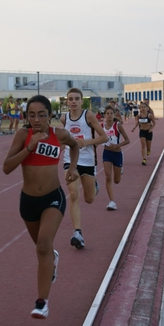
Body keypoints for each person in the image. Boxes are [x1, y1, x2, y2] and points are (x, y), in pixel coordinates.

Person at [3, 95, 79, 319]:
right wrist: (29, 147)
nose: (36, 119)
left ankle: (41, 302)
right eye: (32, 115)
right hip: (28, 202)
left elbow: (75, 146)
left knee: (43, 246)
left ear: (50, 115)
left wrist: (73, 168)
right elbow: (7, 168)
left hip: (53, 198)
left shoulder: (59, 134)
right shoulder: (22, 135)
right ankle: (52, 259)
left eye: (42, 114)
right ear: (27, 116)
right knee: (42, 248)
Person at [60, 87, 108, 249]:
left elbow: (104, 137)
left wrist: (84, 143)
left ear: (81, 101)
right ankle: (77, 233)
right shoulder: (63, 118)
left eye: (76, 99)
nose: (73, 102)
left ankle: (94, 185)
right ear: (67, 101)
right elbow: (63, 138)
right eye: (70, 99)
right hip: (70, 160)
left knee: (89, 199)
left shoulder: (88, 116)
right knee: (73, 194)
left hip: (87, 161)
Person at [101, 105, 130, 210]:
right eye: (107, 113)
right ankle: (112, 202)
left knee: (116, 180)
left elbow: (127, 140)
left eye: (111, 113)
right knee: (108, 176)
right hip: (107, 153)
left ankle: (121, 165)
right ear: (104, 115)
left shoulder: (117, 125)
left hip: (117, 154)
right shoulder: (102, 126)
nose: (109, 115)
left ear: (114, 115)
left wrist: (117, 145)